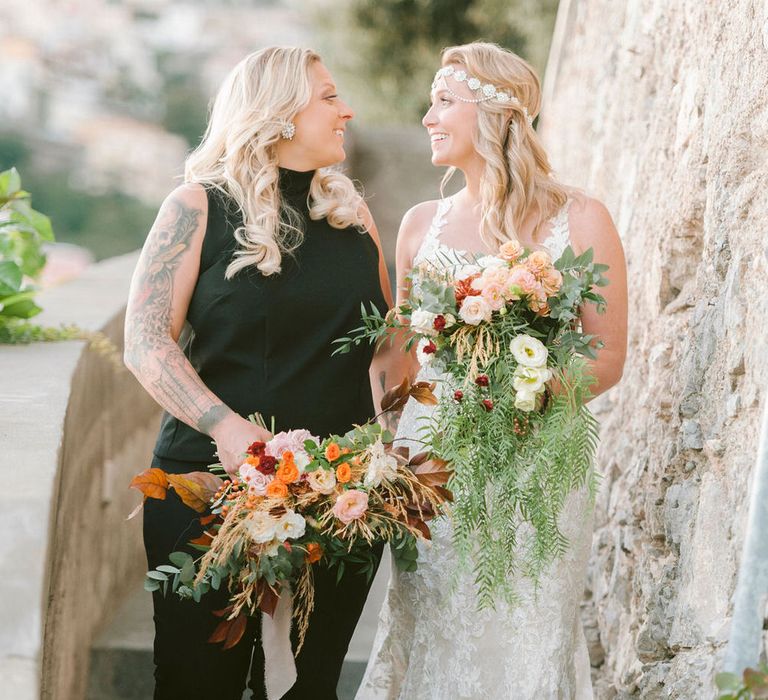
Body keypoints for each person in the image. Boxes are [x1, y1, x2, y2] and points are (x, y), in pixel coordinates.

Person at [356, 42, 628, 699]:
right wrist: (380, 455)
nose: (427, 117)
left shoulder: (581, 218)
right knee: (434, 629)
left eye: (443, 100)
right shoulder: (421, 226)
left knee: (527, 631)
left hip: (538, 467)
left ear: (495, 113)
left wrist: (522, 396)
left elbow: (608, 353)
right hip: (434, 473)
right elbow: (398, 358)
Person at [124, 46, 392, 700]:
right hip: (208, 490)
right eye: (329, 96)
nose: (346, 109)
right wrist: (224, 426)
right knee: (197, 685)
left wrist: (398, 448)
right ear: (276, 112)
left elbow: (388, 350)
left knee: (311, 688)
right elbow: (144, 340)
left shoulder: (352, 216)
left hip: (340, 497)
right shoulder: (197, 208)